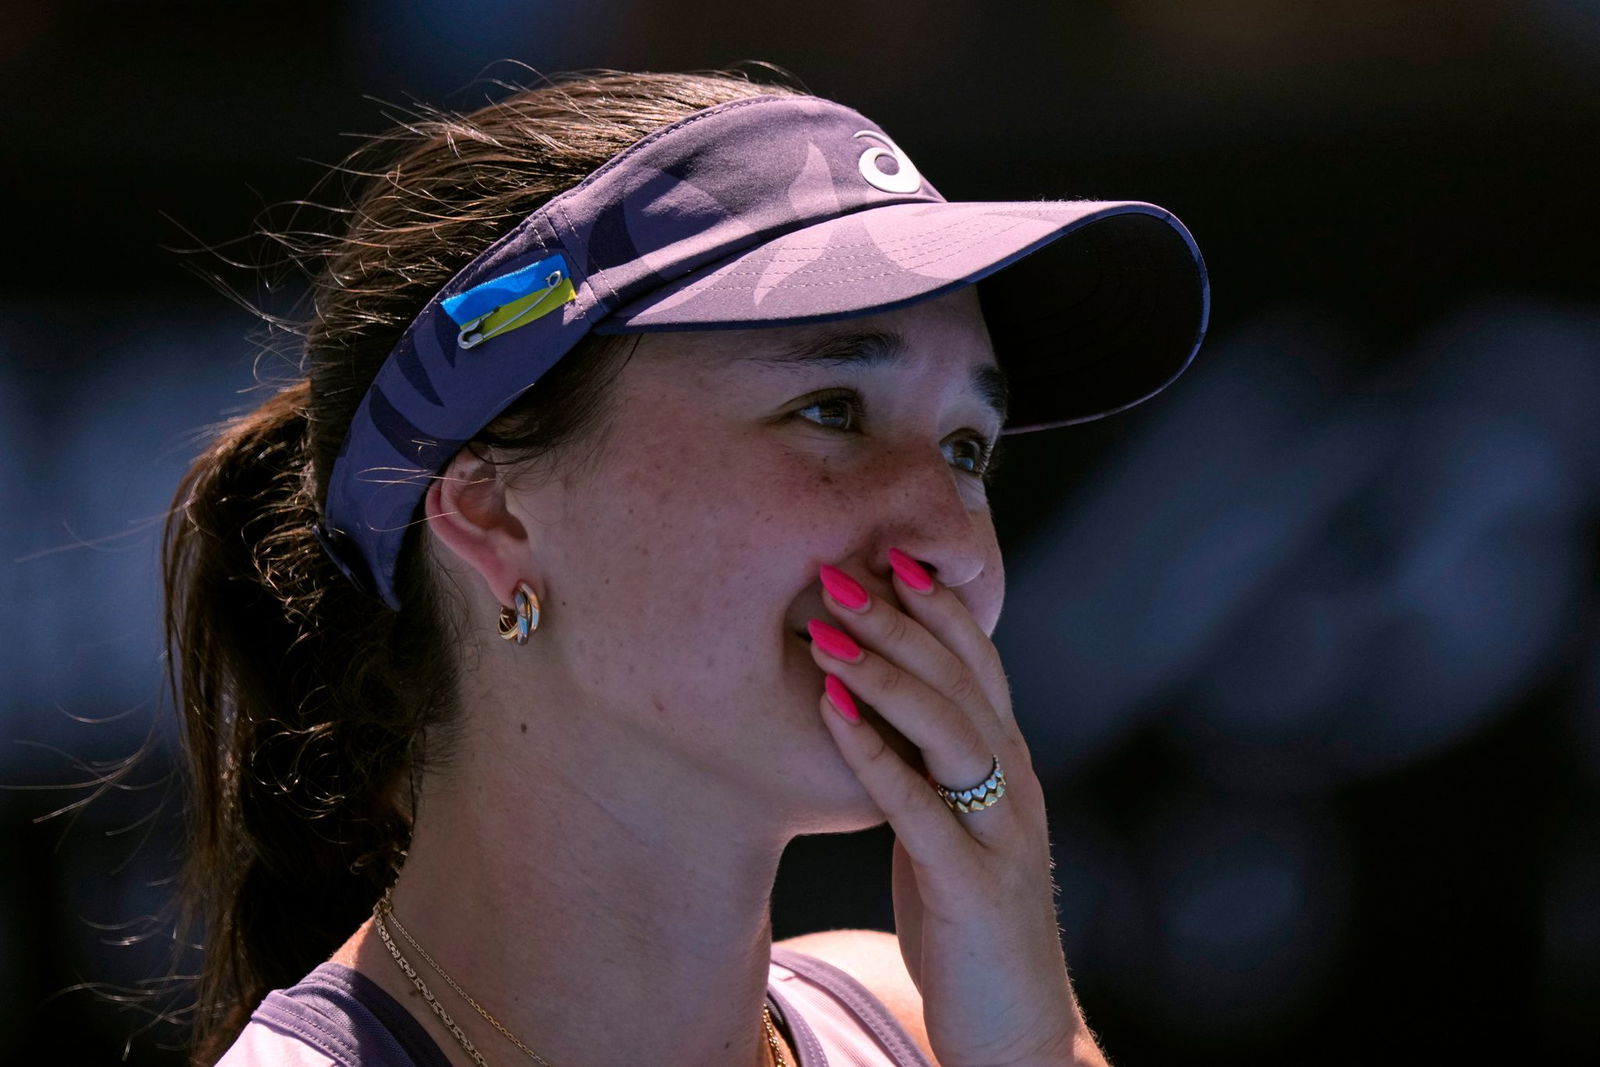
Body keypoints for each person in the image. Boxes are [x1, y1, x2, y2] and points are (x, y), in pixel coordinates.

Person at [162, 69, 1207, 1067]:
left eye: (967, 447)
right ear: (492, 506)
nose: (955, 545)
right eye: (832, 410)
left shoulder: (923, 1022)